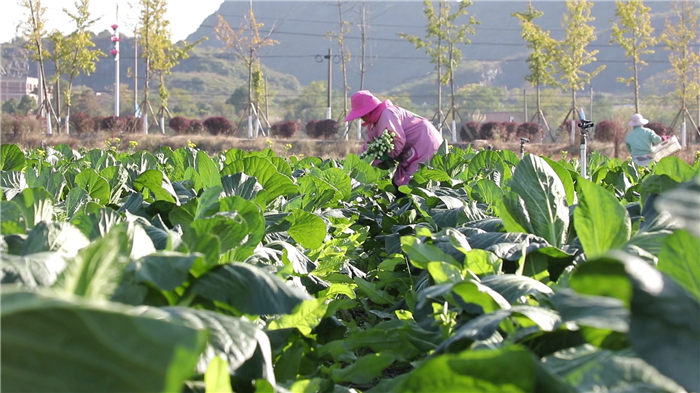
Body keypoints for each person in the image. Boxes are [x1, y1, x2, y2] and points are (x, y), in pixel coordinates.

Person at [346, 90, 443, 186]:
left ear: (368, 111)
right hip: (413, 148)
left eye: (361, 114)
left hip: (424, 142)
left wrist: (381, 158)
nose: (360, 118)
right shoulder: (372, 124)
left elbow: (397, 142)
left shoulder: (387, 114)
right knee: (398, 183)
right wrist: (359, 164)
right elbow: (368, 147)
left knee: (413, 184)